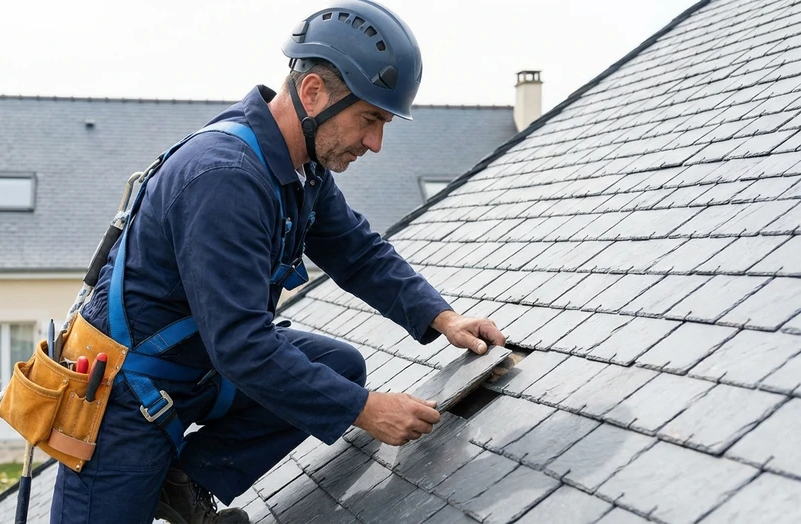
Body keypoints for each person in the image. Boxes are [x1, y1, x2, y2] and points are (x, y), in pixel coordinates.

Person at [50, 1, 505, 523]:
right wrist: (365, 411)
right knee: (340, 391)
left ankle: (184, 483)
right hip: (126, 397)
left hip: (196, 367)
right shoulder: (223, 177)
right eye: (369, 119)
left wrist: (442, 318)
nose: (376, 143)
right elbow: (242, 345)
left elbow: (356, 251)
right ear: (312, 93)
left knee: (339, 370)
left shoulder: (297, 169)